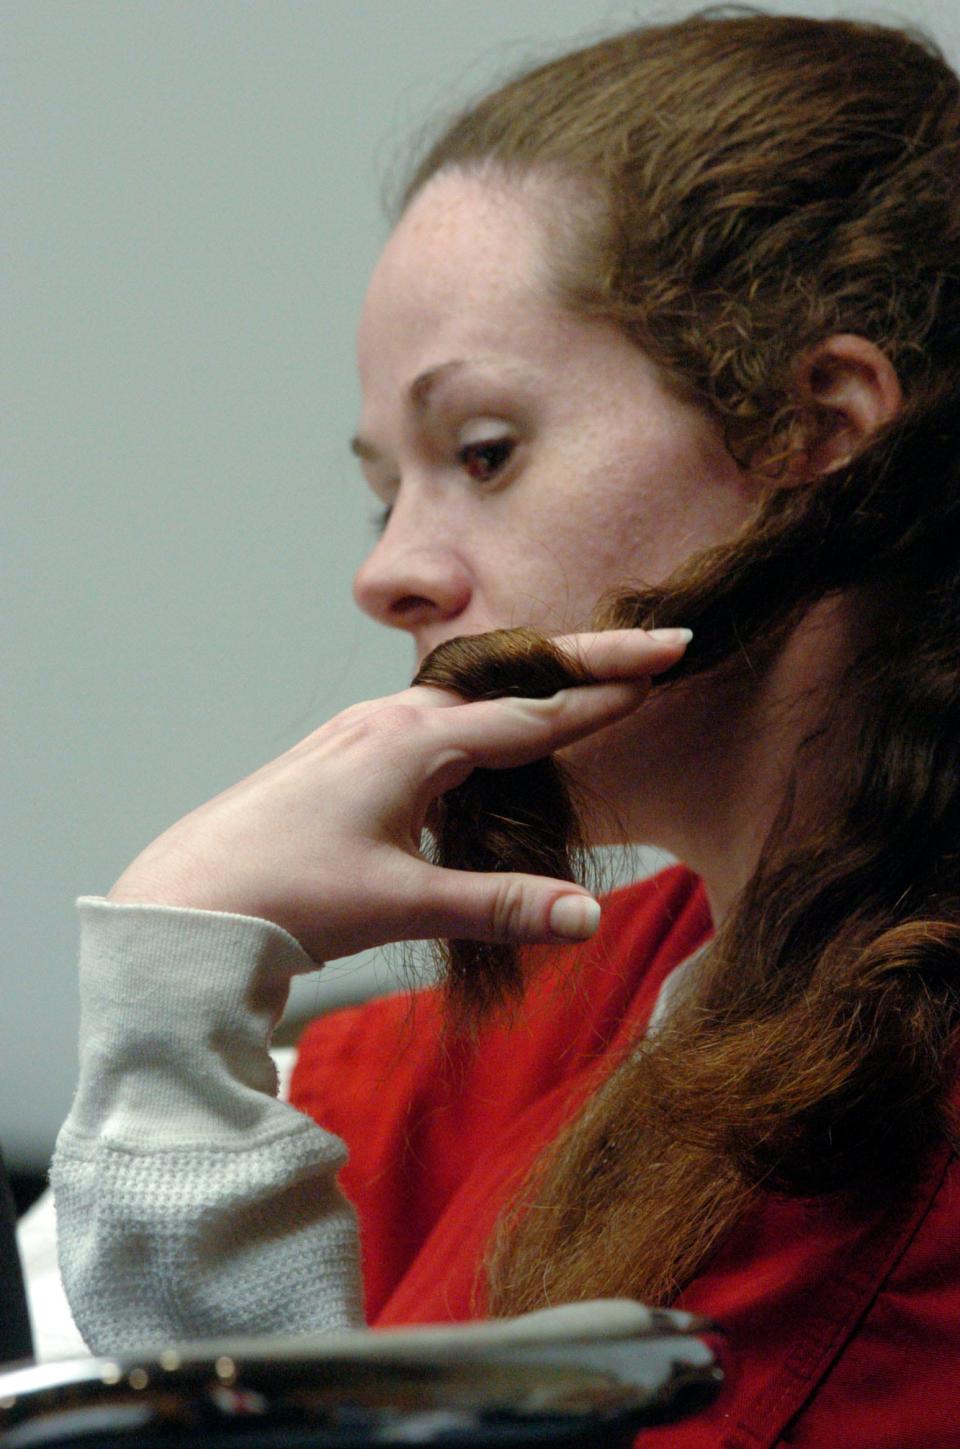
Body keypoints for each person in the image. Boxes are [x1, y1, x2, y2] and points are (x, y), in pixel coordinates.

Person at [51, 9, 960, 1444]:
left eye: (483, 451)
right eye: (385, 488)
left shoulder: (910, 1129)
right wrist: (181, 1019)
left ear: (821, 431)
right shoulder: (611, 990)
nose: (387, 572)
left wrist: (177, 969)